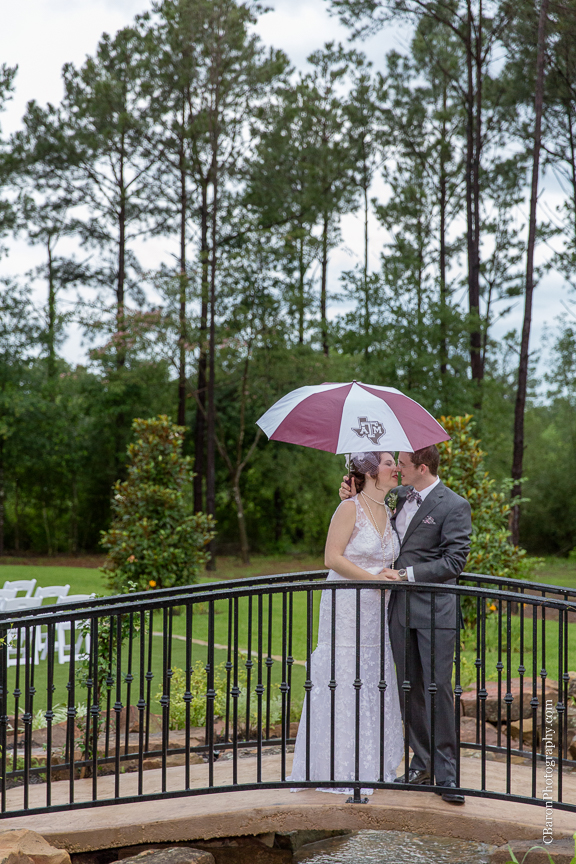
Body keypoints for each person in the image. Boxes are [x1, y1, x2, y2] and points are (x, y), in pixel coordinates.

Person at [339, 446, 472, 805]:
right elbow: (368, 505)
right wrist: (350, 487)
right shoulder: (397, 497)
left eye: (402, 463)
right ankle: (421, 762)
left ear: (422, 467)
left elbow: (454, 561)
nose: (396, 469)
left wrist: (405, 574)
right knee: (408, 687)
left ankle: (447, 776)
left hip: (436, 613)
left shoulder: (454, 505)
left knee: (438, 690)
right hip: (399, 611)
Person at [288, 451, 404, 794]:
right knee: (345, 672)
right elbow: (332, 557)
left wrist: (386, 580)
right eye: (388, 463)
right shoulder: (348, 508)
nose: (395, 468)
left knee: (372, 674)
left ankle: (372, 763)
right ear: (370, 471)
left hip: (376, 612)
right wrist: (376, 580)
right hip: (346, 606)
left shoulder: (389, 509)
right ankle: (336, 765)